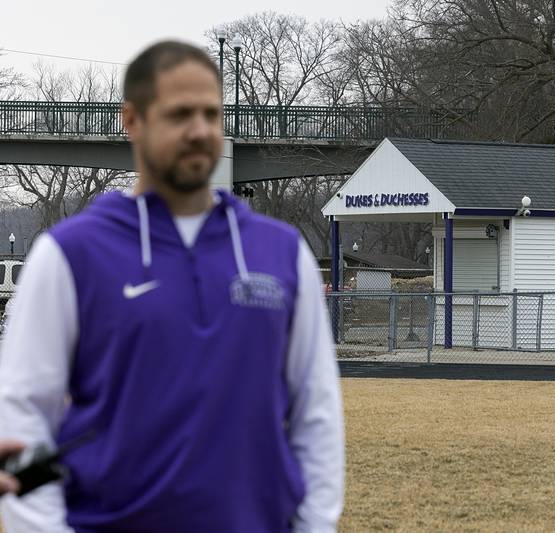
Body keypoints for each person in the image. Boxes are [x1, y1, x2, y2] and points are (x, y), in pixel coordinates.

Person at [0, 41, 344, 532]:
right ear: (132, 120)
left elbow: (317, 414)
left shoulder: (282, 254)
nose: (201, 130)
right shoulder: (69, 255)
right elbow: (22, 415)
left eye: (212, 113)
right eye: (181, 114)